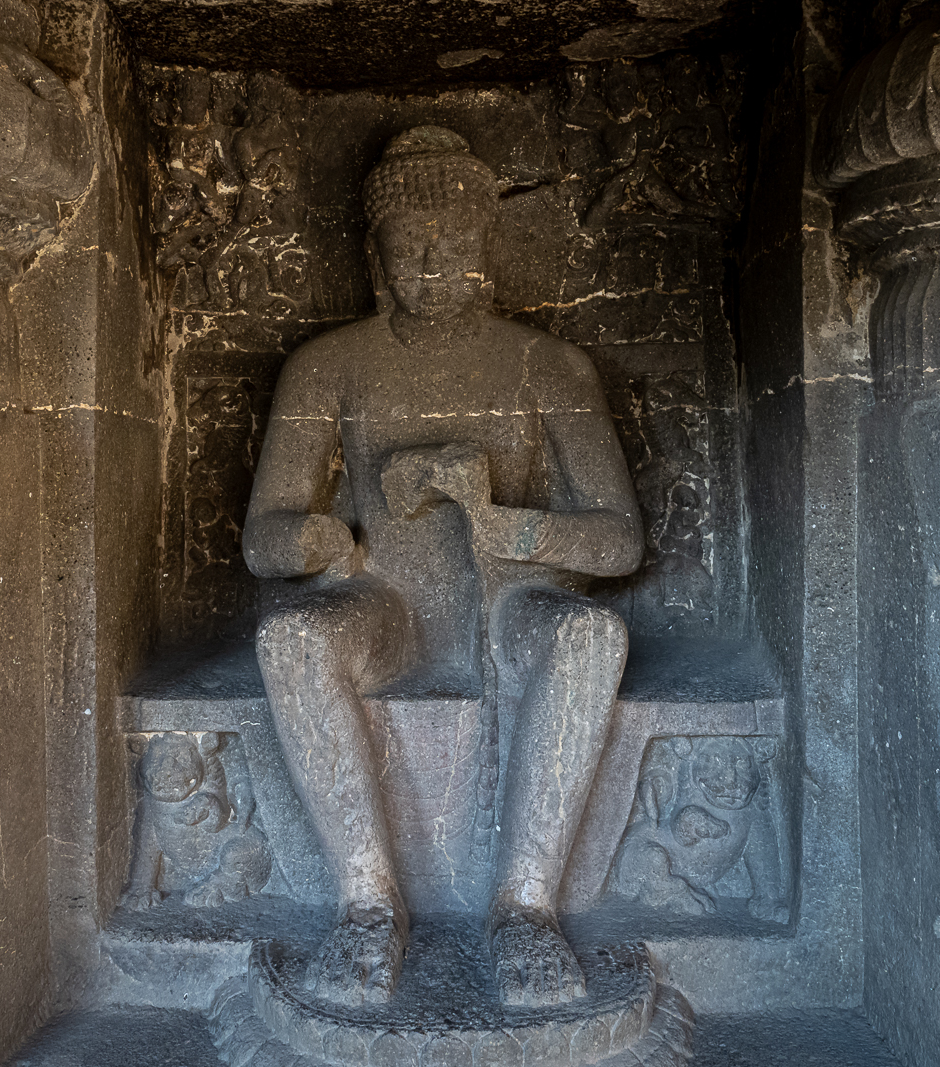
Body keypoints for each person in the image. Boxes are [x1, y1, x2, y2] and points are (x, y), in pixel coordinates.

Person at [242, 126, 642, 1008]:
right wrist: (318, 541)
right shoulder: (327, 368)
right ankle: (366, 902)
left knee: (591, 636)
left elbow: (618, 541)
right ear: (374, 257)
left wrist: (509, 526)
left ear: (487, 247)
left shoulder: (548, 366)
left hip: (512, 606)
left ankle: (525, 907)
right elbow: (263, 537)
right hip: (379, 599)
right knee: (292, 641)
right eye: (408, 242)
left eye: (454, 238)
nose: (431, 260)